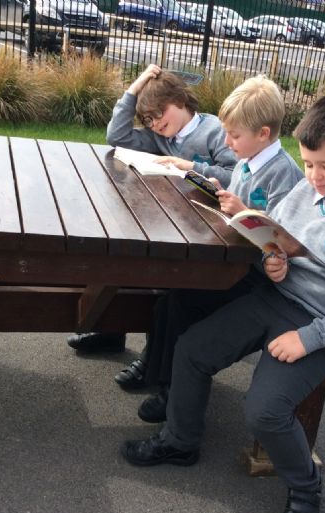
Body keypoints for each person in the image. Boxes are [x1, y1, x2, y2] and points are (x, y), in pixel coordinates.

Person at [120, 94, 325, 513]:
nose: (314, 177)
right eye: (308, 164)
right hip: (276, 296)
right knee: (192, 348)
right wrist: (275, 260)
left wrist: (311, 338)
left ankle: (306, 489)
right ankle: (180, 442)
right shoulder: (309, 189)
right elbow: (282, 237)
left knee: (264, 412)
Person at [120, 74, 303, 424]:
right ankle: (158, 375)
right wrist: (217, 191)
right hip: (236, 263)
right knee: (170, 297)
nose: (228, 142)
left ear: (263, 134)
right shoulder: (249, 161)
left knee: (181, 305)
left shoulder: (282, 173)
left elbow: (283, 236)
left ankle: (170, 392)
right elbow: (239, 197)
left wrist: (244, 211)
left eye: (234, 135)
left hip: (258, 279)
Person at [67, 64, 238, 359]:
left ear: (180, 101)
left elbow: (236, 175)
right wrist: (136, 87)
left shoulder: (214, 131)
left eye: (160, 113)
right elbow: (116, 136)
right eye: (148, 119)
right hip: (171, 218)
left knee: (164, 279)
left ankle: (152, 359)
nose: (156, 123)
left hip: (208, 228)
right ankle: (112, 328)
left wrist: (191, 166)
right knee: (125, 248)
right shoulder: (161, 138)